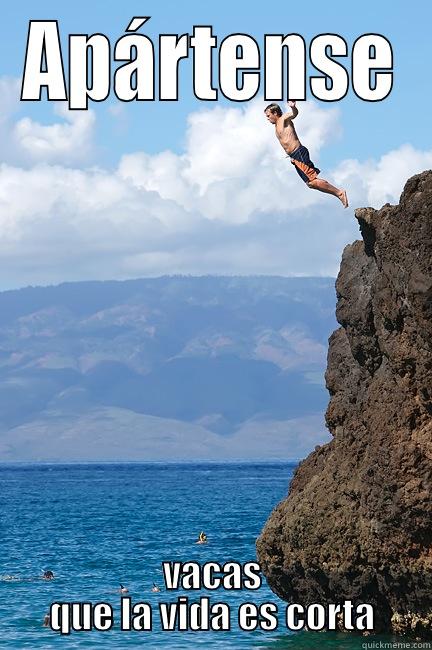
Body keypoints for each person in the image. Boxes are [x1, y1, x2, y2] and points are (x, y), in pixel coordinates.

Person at [264, 102, 348, 208]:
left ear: (275, 113)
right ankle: (338, 193)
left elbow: (293, 114)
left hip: (299, 152)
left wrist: (293, 107)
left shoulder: (283, 119)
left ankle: (339, 193)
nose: (267, 118)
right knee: (311, 184)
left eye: (268, 115)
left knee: (312, 181)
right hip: (295, 157)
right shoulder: (276, 126)